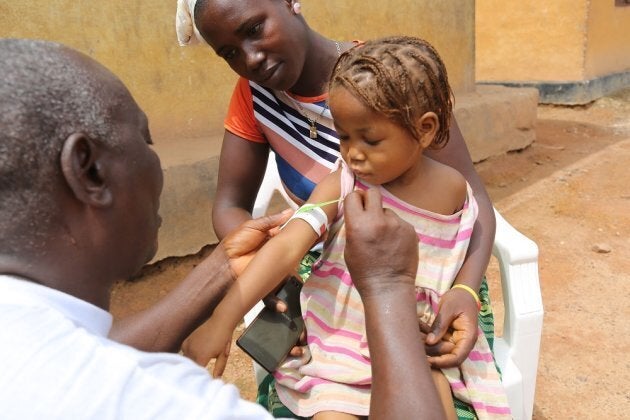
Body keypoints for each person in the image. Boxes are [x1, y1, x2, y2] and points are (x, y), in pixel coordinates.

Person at [0, 38, 447, 419]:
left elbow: (91, 351)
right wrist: (387, 284)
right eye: (146, 139)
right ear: (89, 171)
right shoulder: (165, 401)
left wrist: (219, 275)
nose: (351, 153)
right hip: (345, 345)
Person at [182, 36, 510, 419]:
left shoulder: (454, 189)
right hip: (339, 340)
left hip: (414, 339)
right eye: (343, 135)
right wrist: (222, 319)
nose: (352, 153)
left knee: (432, 399)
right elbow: (287, 247)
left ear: (424, 129)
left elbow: (464, 247)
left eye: (370, 139)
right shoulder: (342, 184)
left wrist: (464, 292)